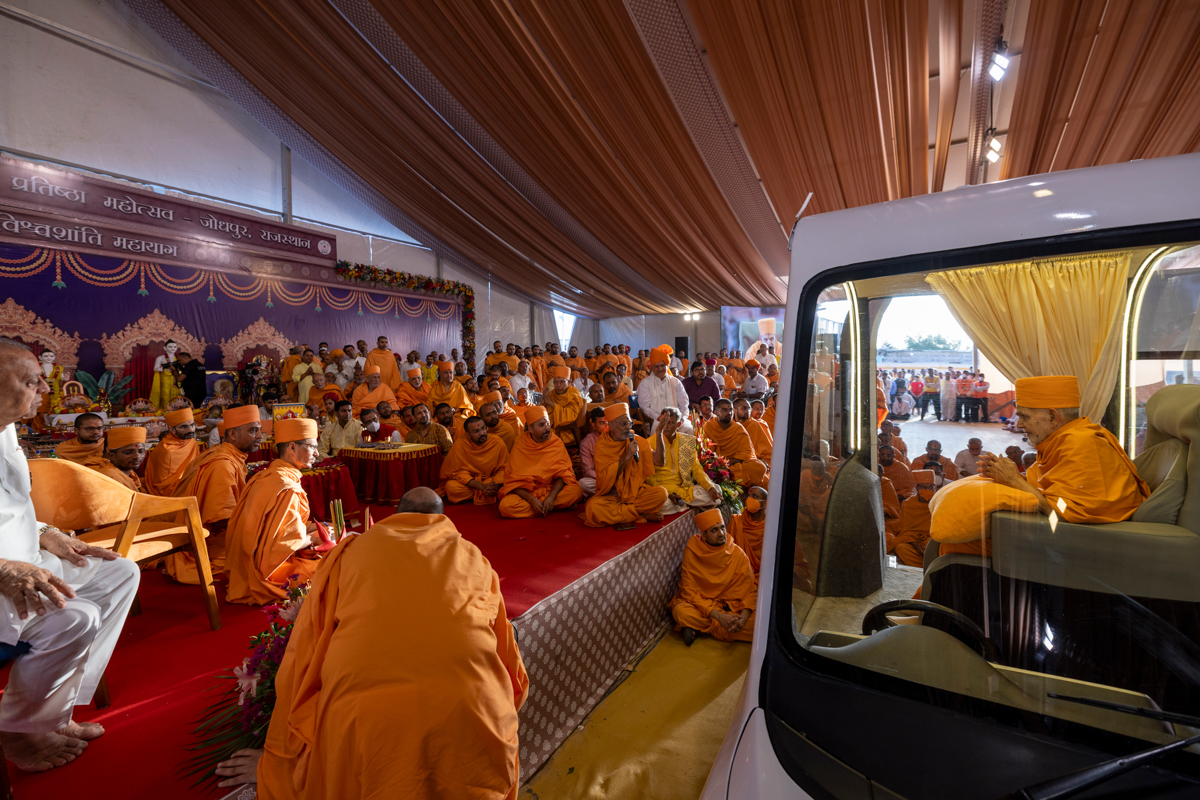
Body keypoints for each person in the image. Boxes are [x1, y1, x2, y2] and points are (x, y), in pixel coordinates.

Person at [218, 488, 529, 797]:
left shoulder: (349, 553)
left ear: (395, 517)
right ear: (441, 521)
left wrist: (282, 757)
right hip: (476, 715)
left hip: (363, 723)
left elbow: (305, 654)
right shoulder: (476, 560)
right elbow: (509, 665)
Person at [0, 339, 139, 773]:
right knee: (75, 616)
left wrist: (49, 535)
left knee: (121, 573)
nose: (44, 390)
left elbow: (10, 510)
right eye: (30, 381)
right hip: (5, 576)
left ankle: (53, 713)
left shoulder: (6, 430)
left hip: (26, 561)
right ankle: (19, 731)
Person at [945, 375, 1151, 559]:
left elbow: (1062, 512)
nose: (1018, 425)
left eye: (1024, 416)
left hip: (1080, 544)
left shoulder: (1083, 444)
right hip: (1056, 532)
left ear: (1053, 417)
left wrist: (1015, 481)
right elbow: (1054, 491)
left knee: (955, 542)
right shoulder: (1059, 441)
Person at [225, 419, 324, 605]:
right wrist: (314, 538)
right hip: (269, 570)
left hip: (247, 564)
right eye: (312, 447)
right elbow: (284, 545)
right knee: (331, 565)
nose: (317, 454)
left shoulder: (264, 476)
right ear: (292, 448)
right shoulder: (287, 488)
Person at [166, 405, 262, 584]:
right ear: (232, 434)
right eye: (253, 430)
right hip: (210, 540)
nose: (259, 437)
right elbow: (223, 518)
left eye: (259, 430)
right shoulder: (222, 464)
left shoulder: (227, 455)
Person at [669, 508, 756, 645]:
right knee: (681, 611)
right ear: (704, 535)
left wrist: (743, 618)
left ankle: (700, 628)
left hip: (732, 607)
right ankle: (723, 627)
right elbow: (688, 591)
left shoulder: (737, 553)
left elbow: (750, 590)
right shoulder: (693, 552)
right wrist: (719, 616)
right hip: (705, 606)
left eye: (722, 528)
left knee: (761, 624)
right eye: (714, 530)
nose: (721, 533)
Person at [583, 404, 668, 528]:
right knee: (593, 508)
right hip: (612, 496)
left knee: (661, 494)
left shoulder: (635, 440)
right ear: (610, 425)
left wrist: (659, 433)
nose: (627, 428)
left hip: (634, 494)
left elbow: (660, 462)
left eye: (629, 423)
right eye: (623, 424)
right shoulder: (602, 446)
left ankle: (626, 514)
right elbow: (605, 481)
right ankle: (640, 515)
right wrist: (626, 457)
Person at [498, 406, 583, 518]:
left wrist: (551, 497)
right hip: (528, 492)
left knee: (576, 491)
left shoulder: (555, 442)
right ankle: (551, 507)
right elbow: (513, 481)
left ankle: (543, 507)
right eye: (541, 425)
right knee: (505, 506)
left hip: (551, 490)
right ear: (531, 429)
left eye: (548, 423)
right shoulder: (520, 443)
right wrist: (532, 500)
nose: (547, 428)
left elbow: (564, 474)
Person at [647, 407, 717, 514]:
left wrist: (709, 487)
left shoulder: (686, 442)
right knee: (662, 503)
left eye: (670, 422)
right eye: (663, 422)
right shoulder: (649, 443)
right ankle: (683, 504)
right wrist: (665, 493)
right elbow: (648, 475)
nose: (665, 426)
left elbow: (697, 469)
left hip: (685, 488)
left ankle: (681, 504)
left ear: (679, 425)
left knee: (716, 491)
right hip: (663, 489)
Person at [440, 416, 509, 505]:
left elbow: (504, 468)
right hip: (472, 483)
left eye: (483, 428)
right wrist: (481, 486)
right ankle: (486, 493)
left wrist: (492, 484)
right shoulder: (461, 444)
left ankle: (486, 492)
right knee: (451, 487)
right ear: (468, 435)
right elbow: (458, 472)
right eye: (476, 431)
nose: (482, 433)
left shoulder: (497, 442)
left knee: (505, 484)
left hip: (491, 481)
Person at [702, 399, 767, 488]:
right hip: (716, 464)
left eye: (730, 410)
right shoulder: (709, 427)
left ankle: (724, 476)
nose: (729, 413)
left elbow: (746, 454)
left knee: (759, 467)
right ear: (716, 413)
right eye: (724, 410)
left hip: (733, 464)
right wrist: (718, 464)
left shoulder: (738, 428)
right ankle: (724, 476)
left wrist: (726, 463)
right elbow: (707, 452)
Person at [144, 408, 200, 496]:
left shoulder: (192, 441)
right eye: (184, 427)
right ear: (172, 430)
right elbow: (164, 483)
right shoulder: (167, 449)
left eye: (192, 425)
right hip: (171, 489)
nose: (191, 430)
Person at [638, 347, 692, 436]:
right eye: (657, 366)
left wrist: (682, 419)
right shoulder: (645, 383)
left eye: (662, 366)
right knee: (660, 430)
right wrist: (659, 418)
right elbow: (645, 407)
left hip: (676, 420)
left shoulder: (675, 382)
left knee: (688, 428)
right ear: (651, 367)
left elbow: (684, 404)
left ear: (667, 366)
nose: (660, 369)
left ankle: (684, 450)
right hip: (658, 420)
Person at [888, 470, 936, 567]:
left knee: (938, 546)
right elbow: (906, 530)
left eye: (930, 487)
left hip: (933, 539)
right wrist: (914, 543)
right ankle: (927, 566)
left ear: (935, 487)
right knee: (901, 548)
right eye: (923, 487)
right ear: (916, 488)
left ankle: (929, 565)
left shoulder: (939, 502)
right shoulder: (908, 504)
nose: (928, 490)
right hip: (913, 540)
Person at [727, 486, 768, 577]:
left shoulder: (769, 527)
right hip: (737, 572)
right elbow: (728, 552)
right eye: (748, 496)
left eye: (754, 496)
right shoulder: (735, 521)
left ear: (765, 503)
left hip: (762, 574)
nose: (749, 499)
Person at [541, 366, 584, 446]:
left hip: (566, 431)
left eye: (562, 382)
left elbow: (570, 416)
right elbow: (545, 410)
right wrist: (544, 403)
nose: (558, 385)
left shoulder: (574, 395)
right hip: (550, 426)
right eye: (556, 382)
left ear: (569, 382)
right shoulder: (552, 393)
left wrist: (550, 403)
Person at [94, 426, 147, 491]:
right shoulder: (110, 476)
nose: (137, 457)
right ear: (111, 455)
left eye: (141, 451)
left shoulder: (129, 473)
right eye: (128, 452)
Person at [734, 398, 772, 468]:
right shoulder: (730, 425)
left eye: (749, 408)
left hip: (752, 460)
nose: (747, 411)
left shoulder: (754, 424)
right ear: (734, 410)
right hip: (732, 460)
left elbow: (767, 452)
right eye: (744, 408)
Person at [578, 406, 606, 496]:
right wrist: (606, 479)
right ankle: (611, 491)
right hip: (599, 479)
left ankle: (607, 492)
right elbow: (588, 471)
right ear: (593, 425)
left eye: (608, 422)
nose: (606, 426)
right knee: (582, 484)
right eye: (602, 423)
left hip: (616, 477)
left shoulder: (614, 435)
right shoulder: (587, 443)